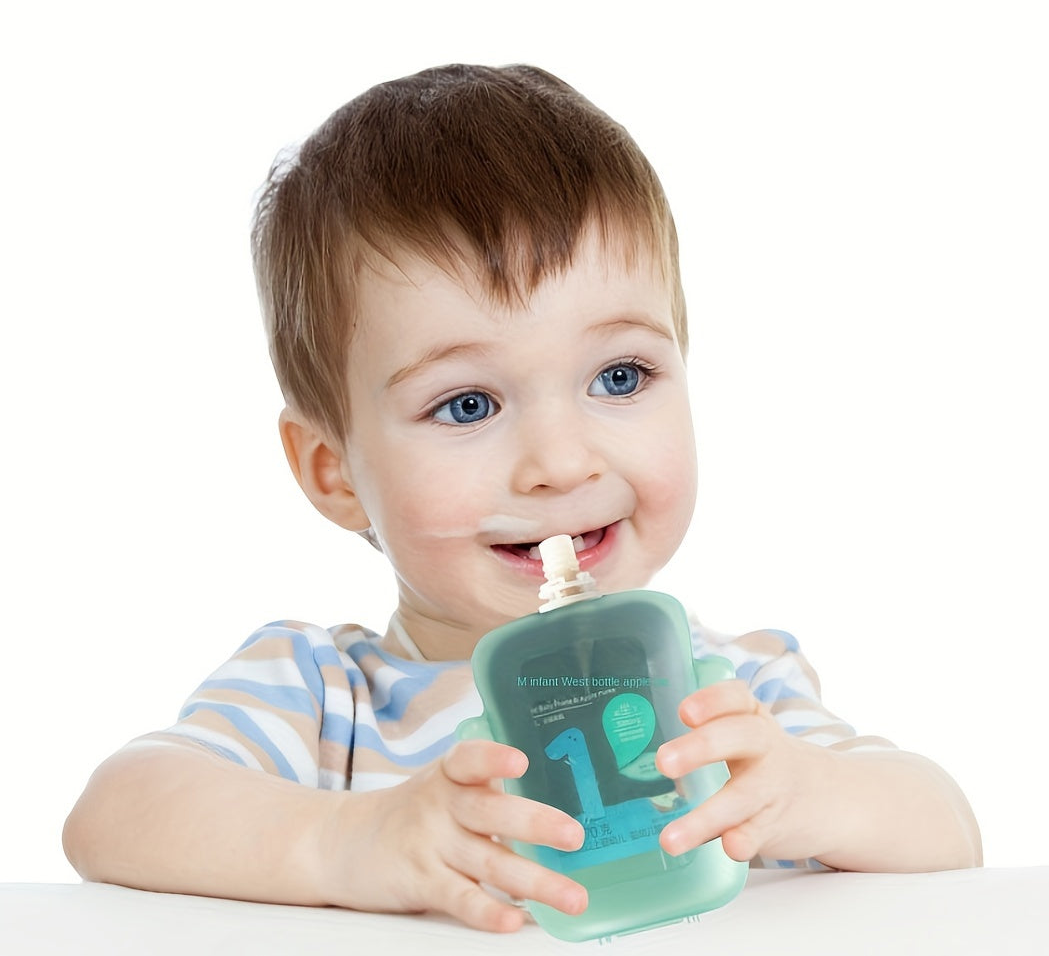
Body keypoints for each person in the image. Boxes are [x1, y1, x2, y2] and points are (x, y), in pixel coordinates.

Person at [63, 64, 981, 934]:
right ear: (333, 471)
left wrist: (806, 792)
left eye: (620, 376)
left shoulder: (725, 693)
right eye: (467, 403)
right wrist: (354, 842)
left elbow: (945, 828)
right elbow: (113, 812)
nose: (559, 461)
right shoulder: (321, 698)